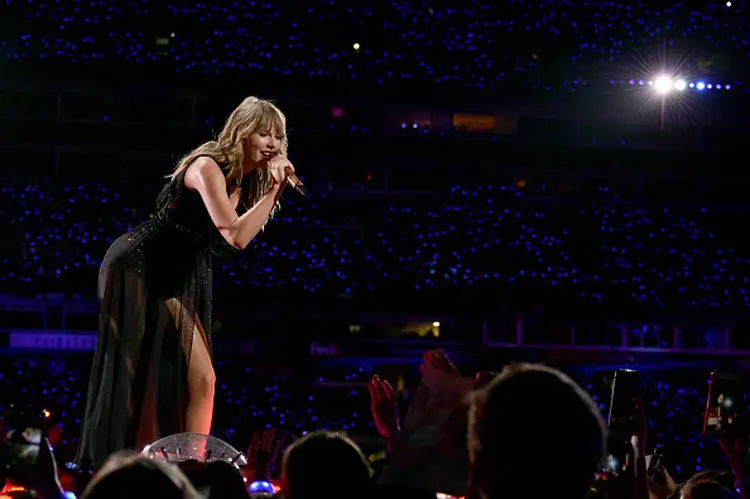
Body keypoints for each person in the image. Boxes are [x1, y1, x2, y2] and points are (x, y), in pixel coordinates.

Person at [76, 97, 294, 469]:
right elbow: (235, 235)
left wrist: (270, 190)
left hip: (175, 273)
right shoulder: (207, 166)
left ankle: (190, 468)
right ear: (241, 132)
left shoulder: (242, 180)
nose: (272, 143)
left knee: (201, 378)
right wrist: (275, 190)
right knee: (133, 372)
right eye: (263, 133)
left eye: (278, 135)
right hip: (138, 265)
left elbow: (233, 240)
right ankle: (121, 468)